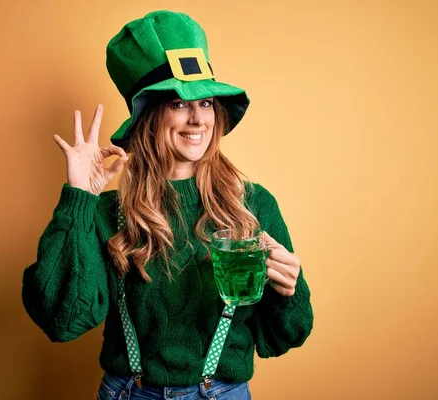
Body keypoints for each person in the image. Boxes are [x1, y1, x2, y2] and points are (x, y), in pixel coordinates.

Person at [22, 10, 313, 400]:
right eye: (178, 104)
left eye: (206, 103)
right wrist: (79, 197)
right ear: (149, 116)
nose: (197, 119)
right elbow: (62, 320)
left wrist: (288, 291)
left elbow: (283, 336)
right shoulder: (107, 213)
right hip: (130, 393)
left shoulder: (253, 203)